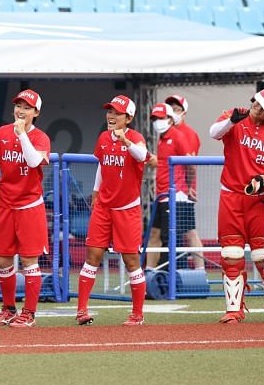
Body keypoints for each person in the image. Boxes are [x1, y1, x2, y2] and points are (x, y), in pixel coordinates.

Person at [0, 89, 51, 329]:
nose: (21, 111)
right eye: (18, 106)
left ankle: (29, 313)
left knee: (29, 260)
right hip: (6, 204)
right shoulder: (2, 132)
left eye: (27, 107)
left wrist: (22, 134)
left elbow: (34, 161)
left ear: (36, 112)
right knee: (2, 259)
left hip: (29, 206)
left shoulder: (40, 138)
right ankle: (8, 309)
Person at [209, 86, 264, 323]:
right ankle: (234, 310)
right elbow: (213, 133)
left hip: (259, 199)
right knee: (231, 253)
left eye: (263, 109)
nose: (257, 109)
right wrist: (232, 121)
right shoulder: (235, 117)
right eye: (257, 104)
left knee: (263, 255)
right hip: (231, 196)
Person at [76, 95, 149, 326]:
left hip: (127, 208)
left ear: (129, 118)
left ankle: (137, 314)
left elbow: (143, 156)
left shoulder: (136, 138)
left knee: (130, 260)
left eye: (117, 113)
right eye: (110, 111)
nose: (111, 115)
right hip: (104, 206)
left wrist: (125, 140)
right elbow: (102, 165)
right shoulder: (103, 138)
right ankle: (81, 310)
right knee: (92, 256)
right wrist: (96, 193)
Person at [144, 103, 195, 270]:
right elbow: (163, 163)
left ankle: (175, 277)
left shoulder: (179, 136)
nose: (157, 121)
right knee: (154, 233)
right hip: (161, 194)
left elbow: (191, 165)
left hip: (174, 195)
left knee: (175, 236)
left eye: (161, 118)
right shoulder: (162, 138)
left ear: (171, 119)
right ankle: (150, 273)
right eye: (155, 118)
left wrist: (188, 188)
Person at [164, 94, 205, 270]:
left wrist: (189, 188)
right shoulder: (165, 132)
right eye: (170, 108)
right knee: (169, 233)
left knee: (190, 232)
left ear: (184, 112)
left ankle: (200, 271)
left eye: (177, 109)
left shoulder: (189, 134)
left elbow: (191, 165)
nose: (173, 112)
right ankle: (173, 272)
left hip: (183, 193)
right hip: (168, 191)